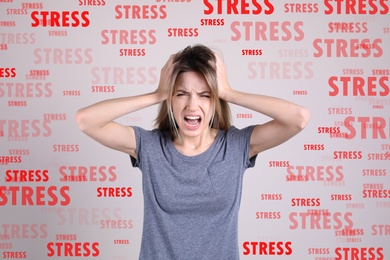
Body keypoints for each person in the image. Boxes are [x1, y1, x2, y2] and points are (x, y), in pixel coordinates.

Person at [75, 44, 310, 259]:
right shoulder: (150, 147)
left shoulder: (235, 146)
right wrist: (157, 94)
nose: (192, 105)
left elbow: (298, 119)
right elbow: (86, 120)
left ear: (215, 101)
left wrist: (228, 91)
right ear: (171, 100)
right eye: (181, 93)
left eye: (205, 95)